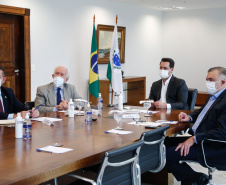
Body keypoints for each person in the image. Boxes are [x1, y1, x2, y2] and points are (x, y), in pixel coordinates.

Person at [165, 66, 226, 185]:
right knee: (162, 145)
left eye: (211, 80)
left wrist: (193, 139)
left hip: (211, 145)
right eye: (207, 79)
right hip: (201, 139)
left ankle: (195, 178)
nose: (207, 83)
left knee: (165, 155)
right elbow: (203, 110)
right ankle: (194, 179)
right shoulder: (215, 94)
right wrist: (190, 117)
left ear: (223, 82)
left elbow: (222, 132)